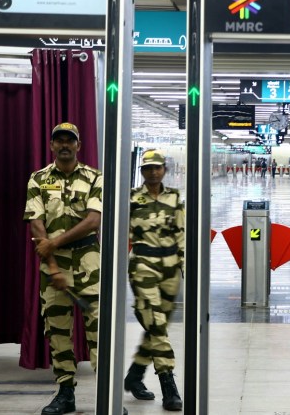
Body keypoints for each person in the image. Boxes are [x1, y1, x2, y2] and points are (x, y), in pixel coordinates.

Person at [24, 122, 103, 415]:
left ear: (79, 146)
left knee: (99, 330)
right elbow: (36, 224)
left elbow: (93, 221)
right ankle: (65, 392)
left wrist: (54, 244)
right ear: (52, 145)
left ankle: (106, 395)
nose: (65, 144)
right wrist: (54, 267)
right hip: (53, 268)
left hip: (89, 264)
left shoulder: (95, 178)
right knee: (57, 330)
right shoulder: (39, 179)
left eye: (70, 140)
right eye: (60, 140)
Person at [123, 149, 185, 411]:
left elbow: (181, 232)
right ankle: (168, 384)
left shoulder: (174, 198)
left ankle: (135, 376)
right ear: (142, 172)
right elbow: (121, 231)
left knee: (154, 326)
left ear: (164, 170)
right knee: (157, 325)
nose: (153, 172)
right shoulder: (132, 199)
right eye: (148, 168)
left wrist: (184, 265)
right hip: (143, 265)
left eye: (157, 167)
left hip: (170, 267)